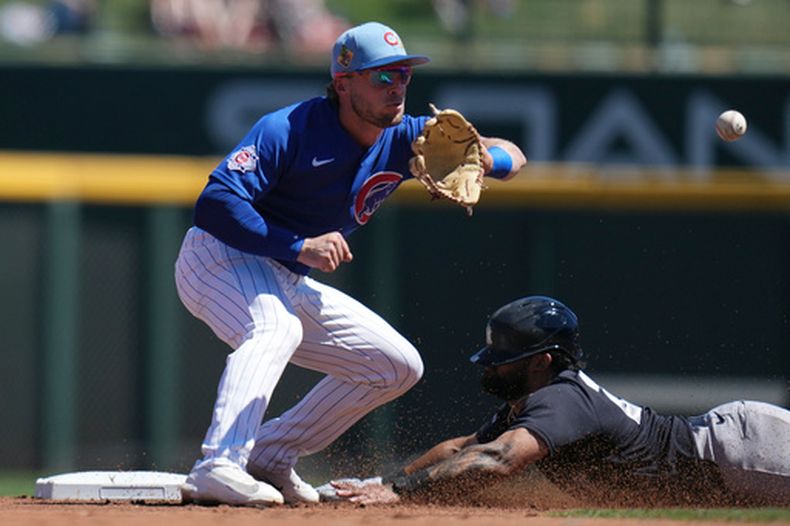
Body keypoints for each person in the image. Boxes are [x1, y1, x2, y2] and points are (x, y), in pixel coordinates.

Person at [174, 21, 527, 507]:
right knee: (276, 330)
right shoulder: (289, 129)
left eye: (404, 74)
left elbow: (516, 153)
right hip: (218, 257)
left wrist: (491, 162)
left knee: (395, 366)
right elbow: (214, 204)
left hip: (284, 273)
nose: (397, 87)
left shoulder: (409, 138)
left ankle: (271, 455)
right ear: (343, 83)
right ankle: (218, 463)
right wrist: (298, 244)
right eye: (382, 77)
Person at [331, 296, 790, 507]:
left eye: (502, 360)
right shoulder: (531, 400)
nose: (488, 367)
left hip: (742, 453)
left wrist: (399, 493)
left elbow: (496, 462)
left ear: (542, 361)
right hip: (727, 455)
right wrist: (385, 482)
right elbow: (461, 449)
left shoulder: (562, 400)